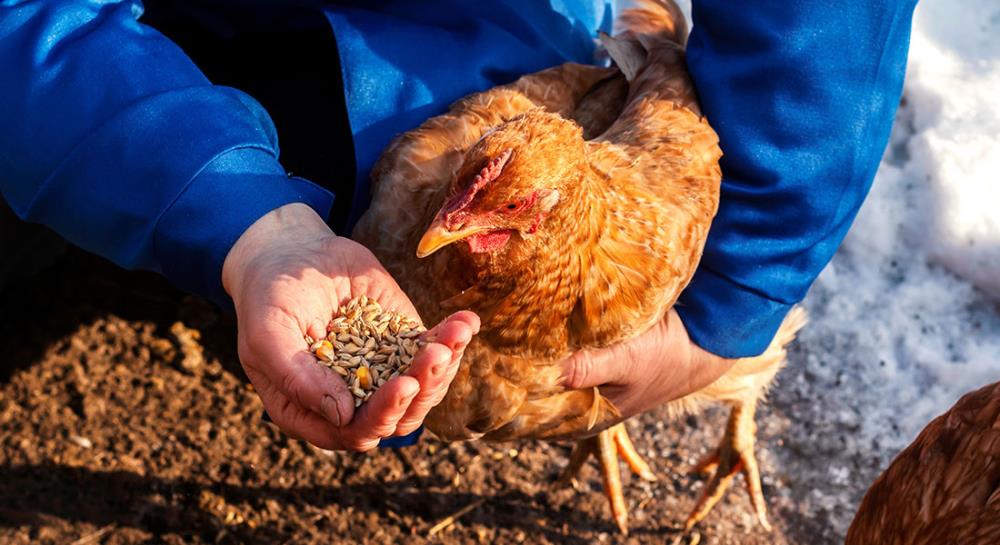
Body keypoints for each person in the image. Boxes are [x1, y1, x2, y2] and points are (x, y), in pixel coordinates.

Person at [0, 0, 917, 450]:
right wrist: (241, 218)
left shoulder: (615, 199)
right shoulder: (432, 180)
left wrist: (739, 285)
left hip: (474, 32)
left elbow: (816, 22)